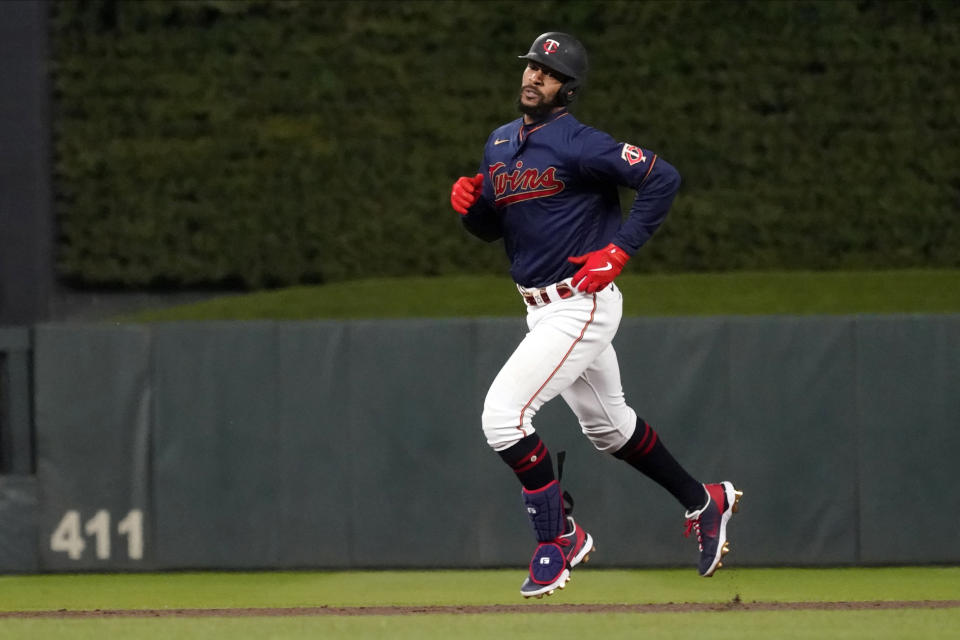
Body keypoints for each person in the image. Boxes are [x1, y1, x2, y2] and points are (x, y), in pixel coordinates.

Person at [449, 32, 742, 599]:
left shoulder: (581, 142)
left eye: (549, 72)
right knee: (611, 429)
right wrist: (472, 210)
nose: (534, 76)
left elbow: (663, 177)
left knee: (502, 418)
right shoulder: (499, 143)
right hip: (540, 309)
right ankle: (706, 501)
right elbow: (497, 227)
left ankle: (558, 537)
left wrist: (621, 249)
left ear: (567, 89)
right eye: (532, 66)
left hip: (579, 302)